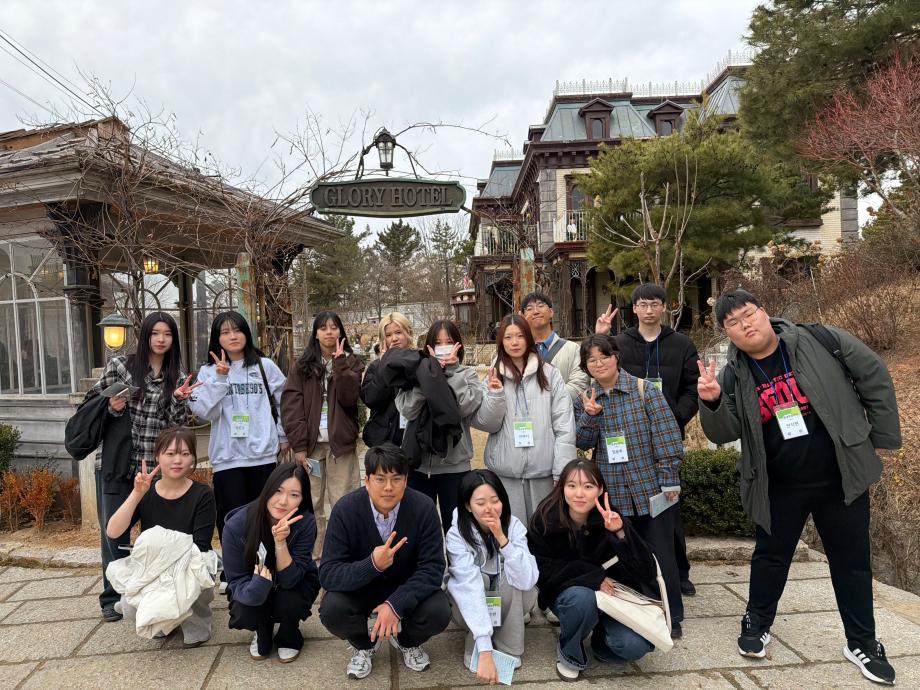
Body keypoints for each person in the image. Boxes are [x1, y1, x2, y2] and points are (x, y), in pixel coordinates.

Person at [697, 290, 901, 686]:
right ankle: (757, 623)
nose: (745, 325)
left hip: (840, 477)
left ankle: (862, 642)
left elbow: (873, 374)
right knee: (771, 557)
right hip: (779, 484)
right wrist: (714, 401)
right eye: (733, 323)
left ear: (764, 312)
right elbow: (724, 432)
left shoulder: (820, 340)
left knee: (852, 562)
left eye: (748, 314)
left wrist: (881, 435)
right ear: (727, 333)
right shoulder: (733, 374)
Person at [82, 311, 199, 622]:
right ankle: (112, 597)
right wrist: (110, 405)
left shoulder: (177, 376)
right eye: (155, 333)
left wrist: (178, 400)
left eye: (168, 334)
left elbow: (177, 428)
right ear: (145, 335)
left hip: (155, 468)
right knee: (114, 532)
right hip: (117, 463)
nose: (161, 339)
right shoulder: (121, 366)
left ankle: (152, 591)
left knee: (156, 532)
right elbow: (91, 402)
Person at [573, 333, 685, 637]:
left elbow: (667, 436)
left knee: (661, 555)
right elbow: (582, 442)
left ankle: (671, 616)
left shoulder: (644, 390)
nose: (599, 364)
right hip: (613, 493)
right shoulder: (586, 398)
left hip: (650, 489)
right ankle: (636, 611)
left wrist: (669, 480)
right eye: (591, 360)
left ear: (616, 357)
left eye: (604, 356)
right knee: (624, 555)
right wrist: (590, 416)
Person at [596, 283, 700, 597]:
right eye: (643, 304)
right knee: (630, 512)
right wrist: (601, 335)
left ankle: (678, 572)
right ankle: (636, 572)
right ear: (635, 308)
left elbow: (692, 388)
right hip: (629, 441)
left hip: (665, 438)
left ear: (665, 307)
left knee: (668, 510)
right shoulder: (620, 343)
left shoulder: (681, 344)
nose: (649, 310)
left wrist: (673, 418)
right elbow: (598, 375)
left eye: (655, 304)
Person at [319, 443, 451, 680]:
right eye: (380, 479)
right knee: (332, 610)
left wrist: (396, 604)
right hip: (362, 589)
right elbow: (328, 573)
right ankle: (364, 644)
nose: (388, 487)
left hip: (405, 586)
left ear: (406, 480)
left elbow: (433, 568)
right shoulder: (345, 510)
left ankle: (406, 641)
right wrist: (372, 564)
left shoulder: (424, 508)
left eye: (396, 479)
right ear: (367, 480)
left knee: (439, 611)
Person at [528, 459, 658, 681]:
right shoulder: (546, 519)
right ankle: (570, 653)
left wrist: (620, 533)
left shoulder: (611, 517)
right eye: (572, 485)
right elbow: (542, 571)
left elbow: (646, 571)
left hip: (614, 599)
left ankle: (600, 644)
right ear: (562, 488)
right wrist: (594, 577)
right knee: (582, 598)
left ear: (600, 490)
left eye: (588, 486)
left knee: (634, 646)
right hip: (570, 597)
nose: (579, 493)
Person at [105, 426, 216, 646]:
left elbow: (200, 546)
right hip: (153, 566)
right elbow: (113, 531)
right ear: (157, 456)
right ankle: (161, 618)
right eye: (170, 453)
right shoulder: (146, 492)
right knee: (129, 607)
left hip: (187, 564)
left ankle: (197, 621)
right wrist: (137, 493)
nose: (178, 460)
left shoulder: (203, 494)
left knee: (196, 579)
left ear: (193, 458)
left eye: (185, 454)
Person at [189, 312, 288, 546]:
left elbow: (285, 402)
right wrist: (220, 379)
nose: (233, 336)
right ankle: (235, 567)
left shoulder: (265, 366)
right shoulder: (208, 372)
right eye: (225, 332)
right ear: (217, 338)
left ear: (247, 334)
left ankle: (266, 564)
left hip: (263, 456)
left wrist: (283, 435)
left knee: (266, 519)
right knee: (231, 521)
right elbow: (205, 412)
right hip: (227, 458)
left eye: (237, 330)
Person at [473, 314, 575, 524]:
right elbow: (487, 424)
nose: (515, 342)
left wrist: (562, 471)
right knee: (512, 534)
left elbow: (564, 425)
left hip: (545, 475)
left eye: (520, 336)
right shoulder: (494, 375)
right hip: (506, 475)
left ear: (529, 338)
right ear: (501, 341)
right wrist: (495, 394)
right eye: (508, 337)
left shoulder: (550, 374)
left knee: (547, 531)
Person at [281, 311, 364, 559]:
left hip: (341, 447)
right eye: (323, 328)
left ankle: (343, 556)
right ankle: (314, 556)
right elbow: (291, 406)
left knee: (344, 501)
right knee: (311, 501)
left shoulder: (352, 362)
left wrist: (340, 366)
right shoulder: (302, 366)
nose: (329, 332)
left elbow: (349, 399)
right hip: (311, 447)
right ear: (315, 334)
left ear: (341, 332)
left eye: (334, 327)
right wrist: (299, 446)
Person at [446, 470, 539, 683]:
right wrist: (485, 649)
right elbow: (467, 586)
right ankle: (476, 643)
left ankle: (510, 644)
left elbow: (528, 579)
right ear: (468, 505)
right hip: (469, 605)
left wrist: (502, 539)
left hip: (511, 602)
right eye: (480, 503)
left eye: (495, 501)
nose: (489, 508)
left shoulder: (514, 525)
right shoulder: (457, 533)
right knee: (477, 580)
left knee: (513, 578)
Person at [223, 462, 320, 663]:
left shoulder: (306, 522)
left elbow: (291, 580)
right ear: (267, 489)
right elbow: (236, 581)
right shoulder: (236, 525)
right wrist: (257, 587)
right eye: (278, 491)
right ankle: (262, 627)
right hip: (253, 585)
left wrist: (280, 543)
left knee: (291, 601)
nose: (283, 501)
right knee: (244, 610)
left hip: (293, 585)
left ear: (302, 499)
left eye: (294, 495)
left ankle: (289, 630)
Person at [396, 319, 483, 531]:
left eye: (449, 342)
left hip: (455, 466)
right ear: (429, 347)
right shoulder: (413, 374)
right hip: (419, 465)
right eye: (438, 343)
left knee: (456, 529)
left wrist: (450, 372)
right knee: (419, 529)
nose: (443, 347)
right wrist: (428, 377)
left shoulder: (468, 374)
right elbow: (408, 410)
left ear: (458, 346)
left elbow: (463, 408)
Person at [520, 292, 589, 400]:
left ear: (551, 312)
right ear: (523, 317)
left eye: (540, 306)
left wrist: (545, 400)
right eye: (529, 309)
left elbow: (579, 385)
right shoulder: (517, 351)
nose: (536, 311)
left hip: (562, 410)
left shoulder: (572, 349)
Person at [361, 312, 414, 448]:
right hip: (385, 440)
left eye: (398, 332)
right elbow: (371, 399)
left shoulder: (419, 362)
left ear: (408, 333)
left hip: (414, 437)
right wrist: (384, 367)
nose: (394, 338)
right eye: (388, 335)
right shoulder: (376, 366)